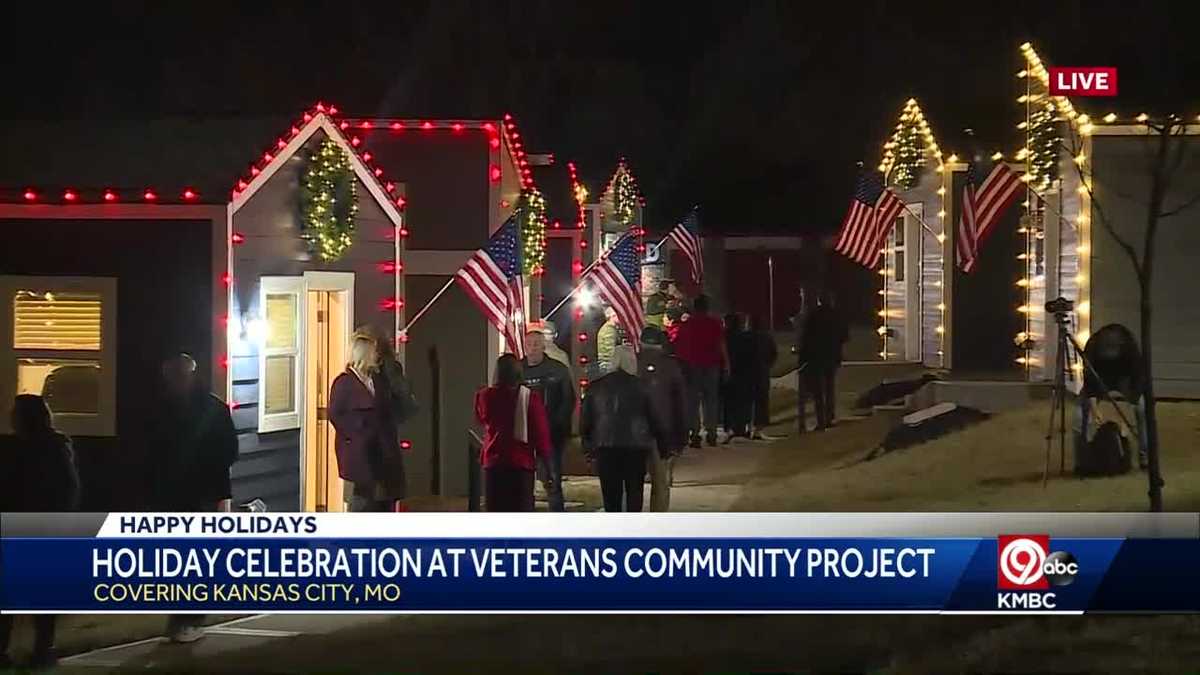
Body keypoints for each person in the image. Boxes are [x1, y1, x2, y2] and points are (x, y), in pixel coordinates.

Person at [148, 353, 238, 644]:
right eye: (171, 377)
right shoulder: (158, 410)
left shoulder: (213, 409)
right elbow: (148, 453)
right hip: (172, 495)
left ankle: (189, 617)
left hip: (201, 495)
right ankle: (180, 617)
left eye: (180, 375)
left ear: (191, 375)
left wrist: (214, 488)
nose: (175, 382)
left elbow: (228, 452)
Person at [0, 395, 79, 669]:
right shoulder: (56, 446)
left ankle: (4, 648)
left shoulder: (11, 448)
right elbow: (69, 488)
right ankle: (42, 649)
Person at [580, 345, 661, 512]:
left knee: (611, 495)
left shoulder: (596, 387)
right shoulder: (643, 386)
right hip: (636, 446)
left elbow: (586, 420)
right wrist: (661, 441)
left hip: (605, 445)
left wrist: (587, 445)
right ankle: (632, 531)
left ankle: (614, 529)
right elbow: (654, 417)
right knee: (634, 492)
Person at [330, 331, 403, 512]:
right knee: (362, 508)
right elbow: (336, 415)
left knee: (384, 507)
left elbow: (395, 408)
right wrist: (362, 432)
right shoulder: (344, 383)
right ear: (362, 355)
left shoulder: (379, 381)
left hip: (385, 459)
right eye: (373, 352)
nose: (376, 356)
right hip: (361, 460)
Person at [474, 355, 552, 511]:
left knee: (496, 514)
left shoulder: (485, 396)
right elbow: (540, 434)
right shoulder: (529, 397)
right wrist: (547, 468)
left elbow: (481, 419)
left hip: (493, 463)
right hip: (520, 464)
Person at [522, 328, 576, 512]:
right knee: (524, 478)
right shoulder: (517, 370)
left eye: (536, 344)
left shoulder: (558, 369)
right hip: (524, 434)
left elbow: (568, 399)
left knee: (552, 477)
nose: (533, 348)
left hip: (552, 433)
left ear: (544, 345)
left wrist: (557, 424)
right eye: (529, 344)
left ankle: (557, 518)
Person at [637, 327, 687, 511]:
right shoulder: (671, 366)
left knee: (632, 481)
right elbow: (680, 404)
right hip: (663, 431)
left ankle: (628, 522)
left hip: (634, 433)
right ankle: (657, 520)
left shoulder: (630, 363)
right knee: (660, 482)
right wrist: (681, 436)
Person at [673, 294, 729, 447]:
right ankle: (711, 433)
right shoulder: (715, 323)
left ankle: (695, 433)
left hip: (692, 366)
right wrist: (726, 364)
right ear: (707, 307)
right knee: (711, 400)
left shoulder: (687, 324)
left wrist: (681, 365)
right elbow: (721, 344)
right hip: (712, 364)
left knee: (693, 401)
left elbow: (680, 346)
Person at [374, 331, 417, 510]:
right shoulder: (353, 379)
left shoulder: (389, 371)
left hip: (383, 449)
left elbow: (408, 406)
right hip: (369, 458)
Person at [798, 291, 848, 430]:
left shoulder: (814, 316)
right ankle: (829, 416)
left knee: (818, 391)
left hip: (816, 357)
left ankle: (821, 420)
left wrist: (804, 356)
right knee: (829, 388)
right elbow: (845, 336)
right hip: (832, 356)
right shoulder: (837, 316)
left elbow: (806, 337)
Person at [723, 312, 755, 441]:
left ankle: (731, 427)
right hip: (744, 372)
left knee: (730, 401)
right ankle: (742, 427)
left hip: (731, 372)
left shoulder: (725, 337)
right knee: (743, 400)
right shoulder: (745, 337)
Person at [748, 314, 779, 439]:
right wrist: (768, 364)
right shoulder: (767, 338)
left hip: (749, 372)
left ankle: (746, 426)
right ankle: (758, 428)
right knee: (761, 400)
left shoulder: (747, 337)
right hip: (762, 371)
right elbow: (773, 353)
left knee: (748, 400)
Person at [596, 306, 622, 371]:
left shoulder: (610, 328)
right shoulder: (609, 330)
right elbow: (610, 351)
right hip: (607, 364)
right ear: (613, 316)